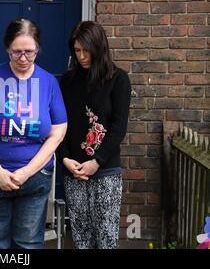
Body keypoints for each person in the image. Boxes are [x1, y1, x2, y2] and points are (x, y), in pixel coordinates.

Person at [0, 18, 68, 249]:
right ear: (7, 50)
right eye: (17, 52)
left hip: (34, 179)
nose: (23, 58)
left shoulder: (48, 82)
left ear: (38, 50)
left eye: (29, 52)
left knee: (29, 243)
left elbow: (57, 132)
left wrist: (26, 172)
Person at [58, 21, 131, 249]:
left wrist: (96, 162)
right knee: (81, 239)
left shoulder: (118, 79)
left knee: (106, 240)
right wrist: (65, 158)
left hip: (106, 172)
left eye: (86, 50)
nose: (81, 56)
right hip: (74, 172)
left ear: (99, 48)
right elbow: (60, 126)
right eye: (77, 50)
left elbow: (118, 127)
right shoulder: (68, 81)